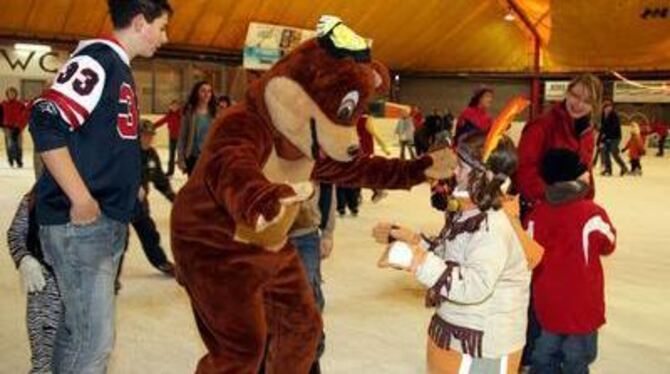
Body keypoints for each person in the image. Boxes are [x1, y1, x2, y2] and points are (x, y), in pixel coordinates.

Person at [28, 1, 171, 372]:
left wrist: (129, 187)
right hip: (81, 227)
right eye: (162, 26)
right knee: (93, 343)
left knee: (81, 334)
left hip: (104, 222)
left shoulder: (117, 67)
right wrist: (79, 198)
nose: (165, 37)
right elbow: (45, 120)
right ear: (140, 22)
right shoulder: (97, 59)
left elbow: (106, 142)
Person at [373, 132, 531, 373]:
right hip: (457, 331)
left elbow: (474, 284)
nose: (454, 172)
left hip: (483, 345)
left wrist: (416, 260)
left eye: (462, 167)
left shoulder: (494, 227)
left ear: (484, 175)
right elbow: (451, 256)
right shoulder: (470, 213)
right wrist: (413, 240)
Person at [514, 73, 602, 369]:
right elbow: (524, 171)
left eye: (586, 101)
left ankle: (563, 352)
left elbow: (584, 173)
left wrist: (584, 206)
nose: (578, 104)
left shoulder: (588, 132)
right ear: (567, 92)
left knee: (567, 287)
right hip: (540, 216)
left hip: (570, 220)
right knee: (539, 287)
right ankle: (532, 355)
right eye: (575, 95)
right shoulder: (543, 125)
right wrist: (551, 198)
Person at [528, 149, 616, 374]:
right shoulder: (591, 213)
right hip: (582, 304)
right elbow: (608, 243)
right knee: (577, 358)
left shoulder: (536, 215)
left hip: (548, 304)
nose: (588, 174)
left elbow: (527, 253)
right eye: (583, 171)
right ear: (573, 179)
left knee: (545, 351)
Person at [7, 188, 63, 373]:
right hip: (45, 284)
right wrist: (24, 258)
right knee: (44, 353)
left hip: (83, 287)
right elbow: (15, 234)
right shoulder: (35, 198)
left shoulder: (96, 194)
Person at [177, 80, 216, 175]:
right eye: (203, 91)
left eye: (209, 91)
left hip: (210, 158)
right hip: (193, 159)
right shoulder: (189, 113)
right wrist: (181, 158)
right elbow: (182, 137)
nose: (206, 94)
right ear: (196, 93)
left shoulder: (215, 114)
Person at [599, 101, 628, 176]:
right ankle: (608, 170)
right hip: (607, 137)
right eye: (606, 107)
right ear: (604, 108)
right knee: (605, 152)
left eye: (609, 107)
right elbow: (602, 128)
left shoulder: (614, 115)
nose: (608, 109)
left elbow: (614, 127)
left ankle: (624, 167)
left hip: (615, 137)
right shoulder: (603, 115)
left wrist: (607, 136)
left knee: (613, 151)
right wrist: (600, 140)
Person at [153, 99, 182, 176]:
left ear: (178, 106)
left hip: (181, 139)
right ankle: (170, 171)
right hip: (172, 138)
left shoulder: (181, 115)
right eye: (172, 106)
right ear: (170, 107)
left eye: (176, 106)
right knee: (171, 155)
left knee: (183, 156)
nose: (174, 107)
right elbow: (161, 122)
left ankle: (188, 170)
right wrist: (152, 126)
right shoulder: (169, 115)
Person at [2, 87, 27, 167]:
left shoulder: (20, 105)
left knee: (18, 144)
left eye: (13, 93)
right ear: (7, 94)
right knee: (10, 144)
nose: (11, 95)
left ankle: (19, 160)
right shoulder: (3, 104)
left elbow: (24, 116)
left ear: (16, 94)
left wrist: (21, 126)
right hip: (7, 127)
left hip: (18, 127)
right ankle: (10, 160)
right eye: (10, 93)